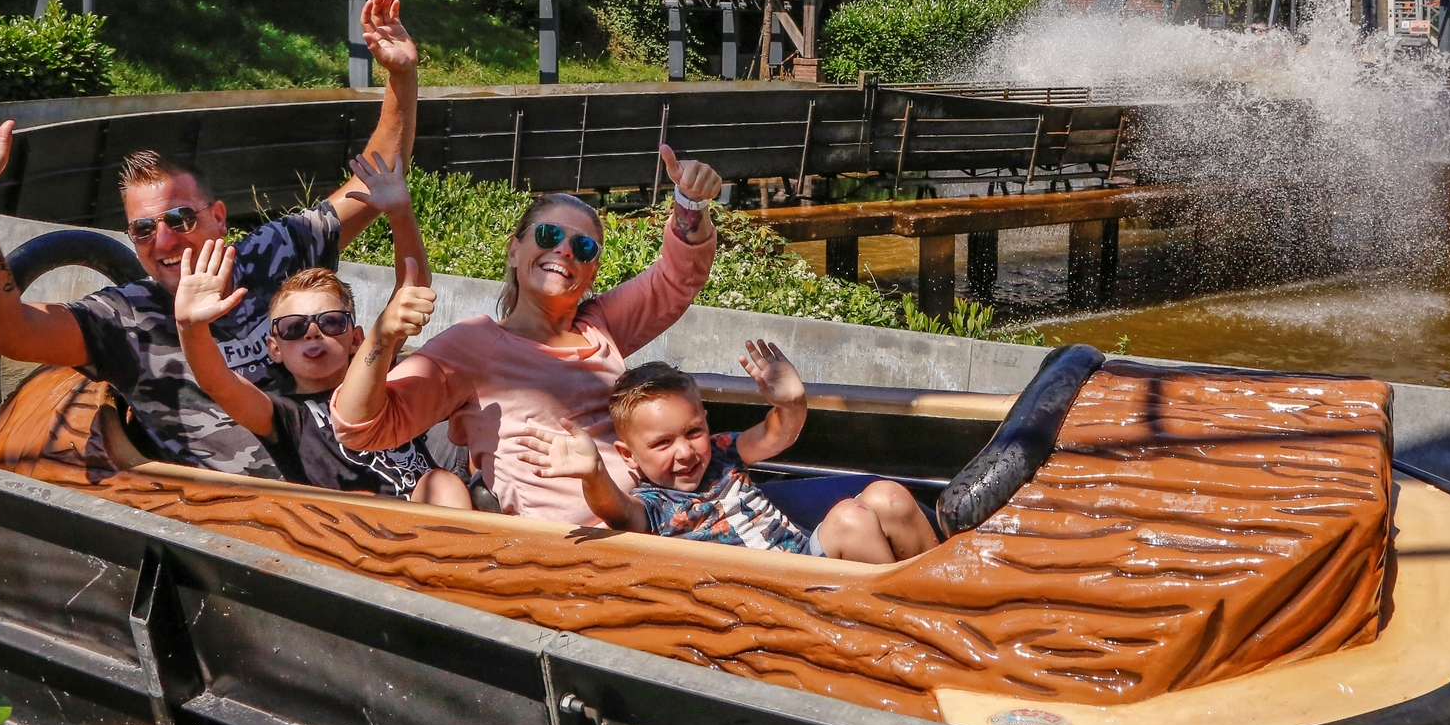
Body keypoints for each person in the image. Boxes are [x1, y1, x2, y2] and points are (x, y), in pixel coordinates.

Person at [0, 0, 419, 477]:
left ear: (219, 217)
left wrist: (400, 75)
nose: (164, 242)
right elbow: (3, 331)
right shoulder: (123, 319)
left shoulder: (274, 255)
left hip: (349, 466)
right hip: (246, 512)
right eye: (142, 230)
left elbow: (373, 181)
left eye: (180, 220)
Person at [331, 145, 722, 525]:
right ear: (515, 250)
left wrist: (689, 202)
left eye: (583, 247)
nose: (566, 251)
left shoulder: (600, 324)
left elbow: (677, 277)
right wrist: (382, 337)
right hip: (572, 549)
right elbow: (360, 427)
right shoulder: (474, 345)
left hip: (661, 519)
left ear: (592, 272)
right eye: (550, 235)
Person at [171, 153, 470, 507]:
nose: (313, 334)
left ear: (356, 339)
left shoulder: (377, 372)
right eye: (294, 328)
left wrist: (400, 214)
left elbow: (412, 287)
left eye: (330, 322)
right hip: (361, 531)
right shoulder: (285, 417)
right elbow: (217, 382)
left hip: (434, 510)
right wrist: (189, 327)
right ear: (274, 347)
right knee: (441, 483)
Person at [519, 346, 938, 563]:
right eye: (662, 444)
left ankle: (948, 596)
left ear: (705, 421)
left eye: (693, 432)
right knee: (851, 519)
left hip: (803, 555)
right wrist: (592, 474)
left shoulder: (721, 454)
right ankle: (900, 617)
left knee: (888, 495)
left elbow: (776, 437)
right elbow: (616, 511)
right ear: (629, 456)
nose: (684, 452)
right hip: (776, 593)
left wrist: (792, 404)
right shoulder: (654, 505)